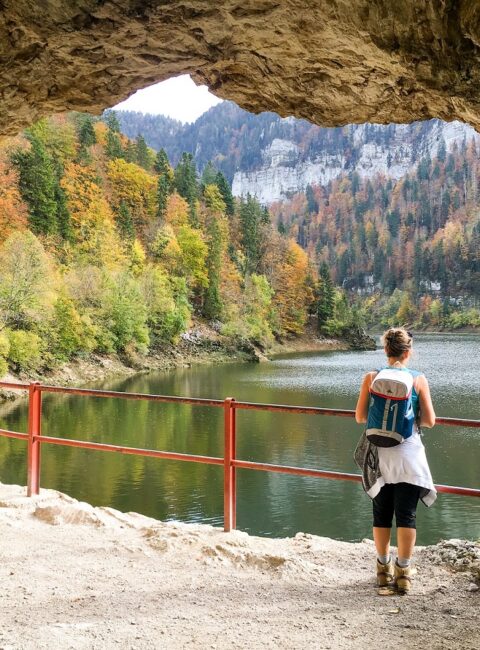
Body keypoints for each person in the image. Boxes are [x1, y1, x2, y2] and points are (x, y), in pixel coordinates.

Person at [354, 327, 436, 593]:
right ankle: (403, 573)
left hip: (380, 455)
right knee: (406, 515)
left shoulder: (371, 377)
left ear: (386, 350)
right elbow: (430, 421)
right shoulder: (418, 379)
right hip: (409, 455)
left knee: (381, 514)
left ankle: (382, 569)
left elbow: (360, 417)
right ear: (408, 351)